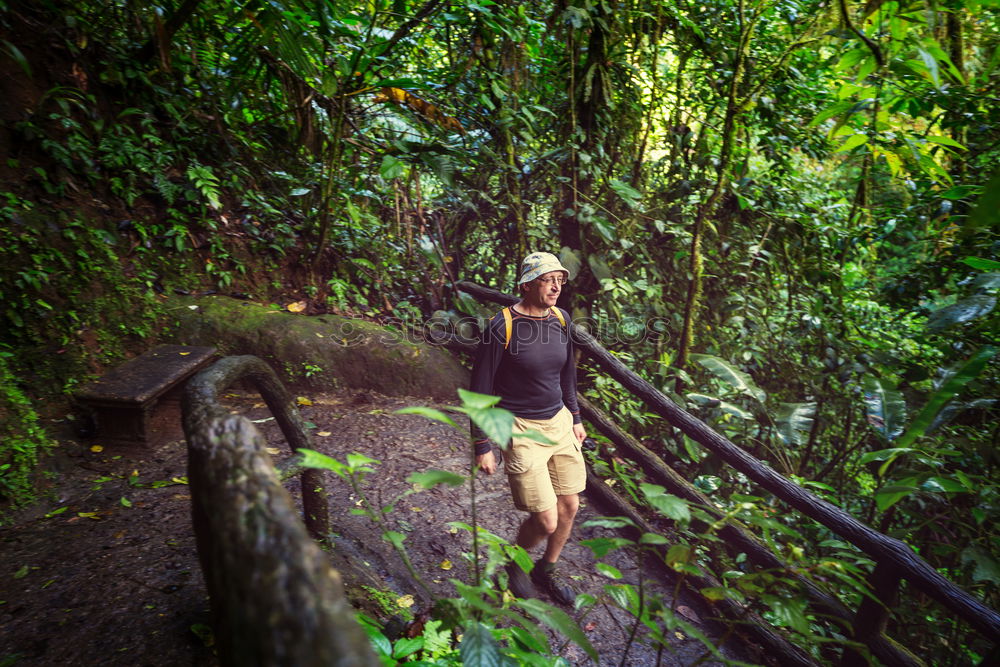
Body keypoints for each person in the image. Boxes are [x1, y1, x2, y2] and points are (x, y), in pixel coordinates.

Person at [469, 251, 587, 605]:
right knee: (547, 520)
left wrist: (576, 417)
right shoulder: (501, 326)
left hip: (560, 423)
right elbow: (480, 389)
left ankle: (546, 569)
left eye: (560, 280)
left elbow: (567, 375)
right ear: (526, 284)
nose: (556, 287)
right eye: (547, 280)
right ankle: (514, 561)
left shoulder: (561, 319)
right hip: (520, 429)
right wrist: (482, 445)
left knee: (570, 506)